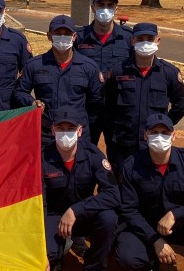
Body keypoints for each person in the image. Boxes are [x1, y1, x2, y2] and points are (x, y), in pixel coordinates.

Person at [115, 114, 184, 271]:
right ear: (145, 135)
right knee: (127, 257)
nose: (159, 137)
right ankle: (153, 262)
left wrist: (176, 214)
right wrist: (156, 240)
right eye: (154, 132)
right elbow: (128, 210)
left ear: (173, 136)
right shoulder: (131, 166)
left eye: (165, 133)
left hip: (182, 225)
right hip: (148, 227)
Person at [41, 108, 119, 271]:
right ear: (53, 130)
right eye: (60, 128)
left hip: (84, 214)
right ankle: (58, 252)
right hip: (54, 216)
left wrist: (76, 210)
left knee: (108, 218)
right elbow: (39, 201)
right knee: (45, 258)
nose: (65, 133)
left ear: (79, 131)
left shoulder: (93, 155)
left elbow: (113, 194)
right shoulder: (42, 158)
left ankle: (94, 266)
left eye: (70, 129)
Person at [104, 22, 184, 169]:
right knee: (122, 186)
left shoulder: (169, 73)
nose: (145, 43)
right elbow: (108, 106)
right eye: (140, 39)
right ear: (132, 41)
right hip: (123, 144)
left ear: (158, 41)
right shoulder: (118, 72)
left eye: (149, 39)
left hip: (154, 144)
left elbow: (180, 105)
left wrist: (163, 128)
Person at [13, 15, 103, 145]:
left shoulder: (88, 67)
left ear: (74, 37)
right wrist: (31, 102)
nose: (62, 37)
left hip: (77, 134)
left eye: (67, 33)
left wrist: (81, 119)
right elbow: (19, 92)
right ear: (49, 36)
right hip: (46, 134)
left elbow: (96, 102)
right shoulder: (35, 65)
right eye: (58, 33)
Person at [75, 0, 133, 145]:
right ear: (93, 7)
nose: (105, 9)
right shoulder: (79, 37)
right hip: (87, 108)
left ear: (116, 9)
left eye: (110, 5)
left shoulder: (128, 38)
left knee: (118, 155)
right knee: (84, 152)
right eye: (101, 5)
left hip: (117, 108)